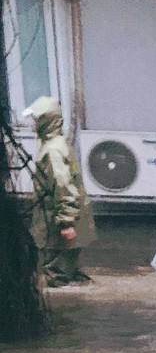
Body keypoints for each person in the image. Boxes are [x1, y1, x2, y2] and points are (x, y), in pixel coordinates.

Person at [25, 96, 95, 285]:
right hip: (62, 219)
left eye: (36, 119)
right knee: (71, 270)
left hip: (57, 224)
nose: (33, 124)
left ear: (45, 120)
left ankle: (65, 309)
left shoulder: (53, 150)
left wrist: (66, 222)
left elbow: (63, 186)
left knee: (56, 275)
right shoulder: (59, 143)